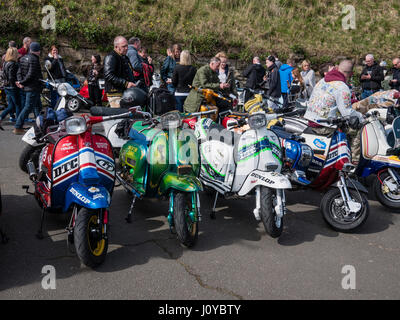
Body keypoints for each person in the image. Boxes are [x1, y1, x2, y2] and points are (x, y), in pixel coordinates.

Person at [304, 60, 365, 163]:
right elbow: (347, 112)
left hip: (310, 121)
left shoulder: (322, 80)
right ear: (350, 74)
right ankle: (353, 163)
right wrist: (361, 117)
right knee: (358, 130)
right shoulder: (342, 87)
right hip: (324, 126)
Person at [14, 42, 43, 135]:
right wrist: (22, 82)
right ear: (37, 51)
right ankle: (18, 126)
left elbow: (19, 72)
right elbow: (31, 74)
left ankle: (40, 126)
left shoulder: (23, 58)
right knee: (28, 107)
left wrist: (20, 82)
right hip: (33, 87)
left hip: (28, 86)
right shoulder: (34, 59)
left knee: (37, 107)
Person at [103, 36, 136, 108]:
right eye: (124, 46)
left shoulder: (124, 57)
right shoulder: (111, 57)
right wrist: (125, 83)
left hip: (125, 92)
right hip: (115, 93)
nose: (126, 48)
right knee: (119, 116)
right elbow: (108, 75)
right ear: (116, 47)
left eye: (127, 46)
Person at [0, 47, 20, 126]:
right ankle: (19, 122)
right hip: (12, 87)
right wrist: (17, 82)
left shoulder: (5, 63)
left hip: (6, 86)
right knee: (18, 105)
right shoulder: (14, 64)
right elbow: (11, 76)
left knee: (11, 105)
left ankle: (1, 117)